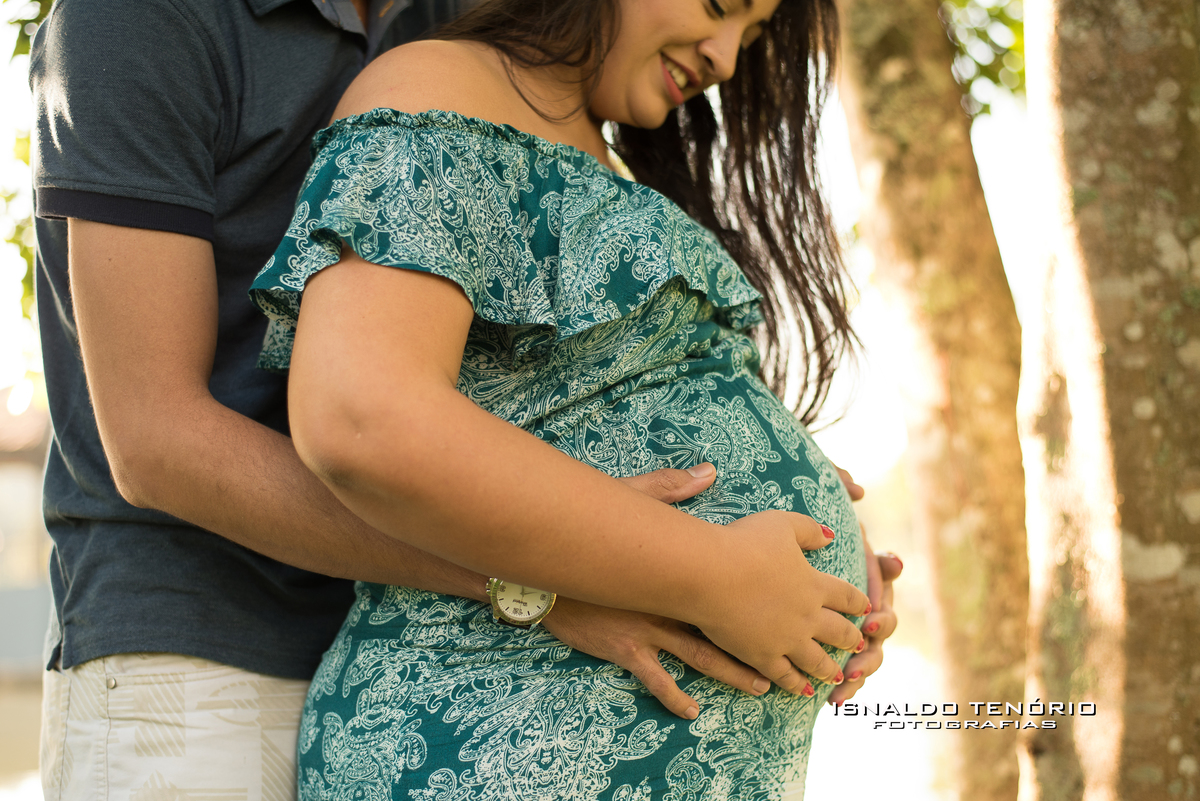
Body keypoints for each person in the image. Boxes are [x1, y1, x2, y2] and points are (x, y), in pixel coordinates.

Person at [29, 0, 899, 797]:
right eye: (719, 9)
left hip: (411, 645)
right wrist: (571, 576)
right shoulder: (140, 18)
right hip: (203, 658)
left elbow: (549, 386)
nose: (726, 58)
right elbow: (157, 443)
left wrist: (816, 543)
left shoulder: (464, 26)